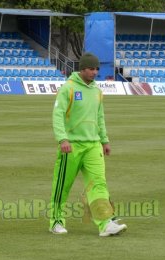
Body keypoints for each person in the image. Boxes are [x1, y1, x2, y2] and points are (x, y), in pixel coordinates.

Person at [49, 52, 127, 237]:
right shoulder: (67, 88)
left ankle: (105, 224)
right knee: (62, 185)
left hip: (93, 145)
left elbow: (99, 117)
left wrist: (105, 140)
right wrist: (63, 139)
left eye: (97, 69)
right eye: (91, 69)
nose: (95, 72)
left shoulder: (97, 91)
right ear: (82, 68)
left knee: (98, 184)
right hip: (72, 145)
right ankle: (56, 221)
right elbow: (57, 114)